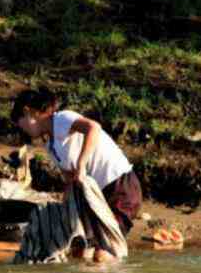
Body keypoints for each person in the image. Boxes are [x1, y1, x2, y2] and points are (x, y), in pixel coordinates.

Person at [10, 88, 142, 263]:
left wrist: (81, 165)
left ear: (29, 112)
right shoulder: (51, 145)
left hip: (120, 186)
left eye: (21, 123)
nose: (23, 130)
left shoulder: (61, 119)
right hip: (95, 198)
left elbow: (93, 128)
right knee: (80, 252)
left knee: (104, 255)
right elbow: (70, 181)